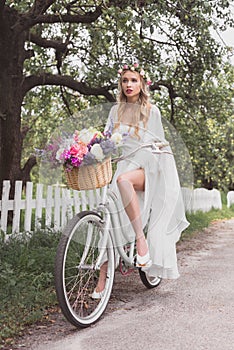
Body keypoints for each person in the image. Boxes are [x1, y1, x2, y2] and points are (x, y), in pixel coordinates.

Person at [91, 63, 189, 299]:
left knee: (124, 181)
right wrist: (90, 152)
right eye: (125, 80)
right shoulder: (115, 111)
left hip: (148, 168)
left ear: (142, 84)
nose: (129, 85)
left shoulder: (151, 111)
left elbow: (161, 143)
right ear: (120, 84)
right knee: (109, 219)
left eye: (134, 80)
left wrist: (155, 152)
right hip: (124, 165)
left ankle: (140, 239)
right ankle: (102, 280)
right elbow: (106, 141)